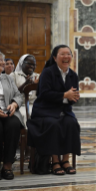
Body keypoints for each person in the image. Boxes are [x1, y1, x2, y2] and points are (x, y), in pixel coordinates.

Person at [27, 45, 81, 175]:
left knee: (71, 123)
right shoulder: (48, 72)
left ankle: (65, 160)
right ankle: (55, 161)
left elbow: (71, 96)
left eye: (68, 54)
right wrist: (64, 95)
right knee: (54, 124)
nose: (66, 57)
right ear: (55, 58)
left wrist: (73, 98)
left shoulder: (73, 75)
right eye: (62, 54)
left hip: (64, 110)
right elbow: (44, 94)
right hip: (45, 111)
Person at [0, 52, 23, 180]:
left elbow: (18, 95)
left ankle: (7, 165)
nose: (3, 62)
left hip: (7, 111)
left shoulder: (7, 78)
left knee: (14, 124)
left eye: (3, 59)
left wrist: (14, 104)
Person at [10, 54, 40, 127]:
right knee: (25, 115)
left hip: (35, 105)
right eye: (29, 64)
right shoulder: (14, 75)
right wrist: (26, 84)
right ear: (21, 63)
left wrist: (35, 85)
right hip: (20, 105)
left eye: (34, 64)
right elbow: (11, 93)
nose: (32, 66)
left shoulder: (38, 76)